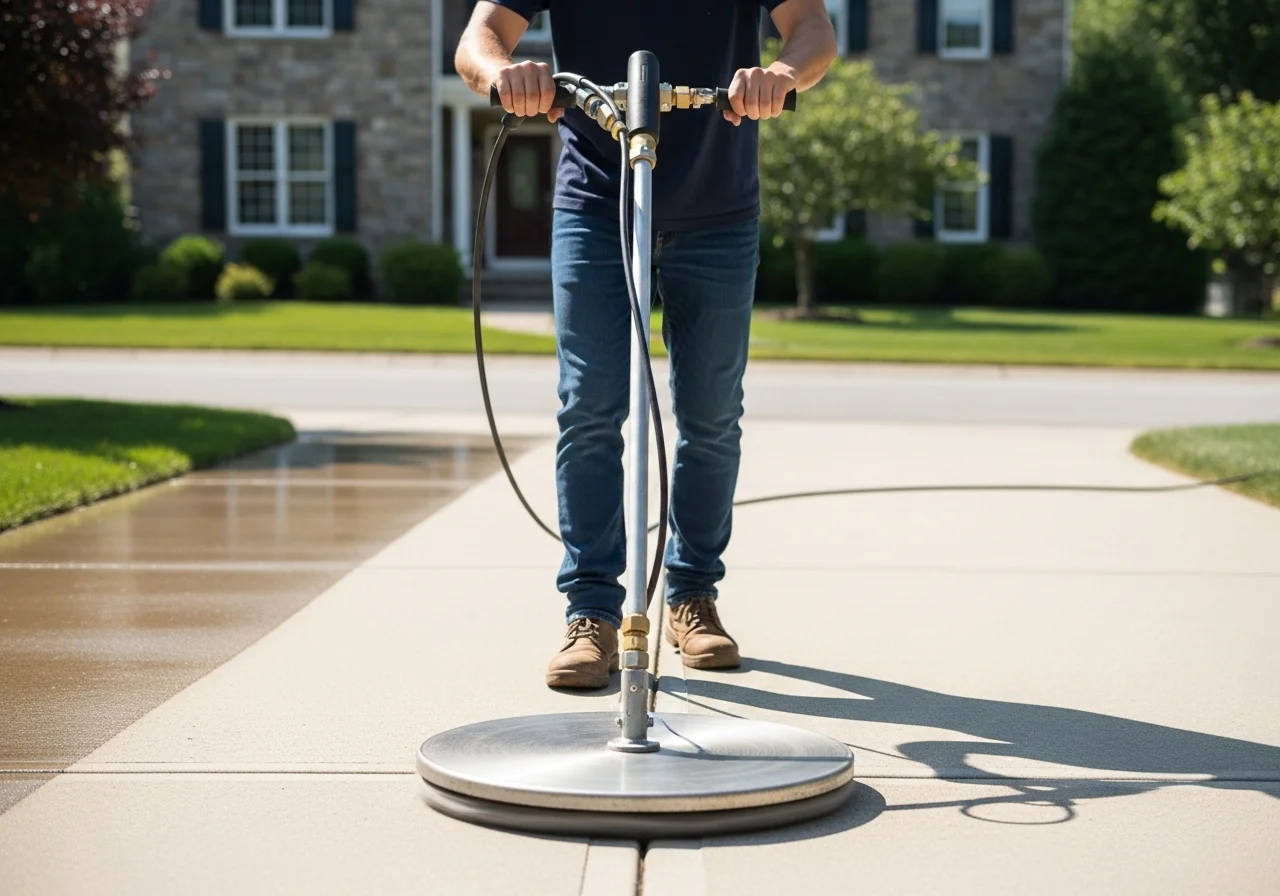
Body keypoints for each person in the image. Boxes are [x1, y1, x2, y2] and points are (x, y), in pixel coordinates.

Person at [456, 1, 837, 688]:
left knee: (711, 416)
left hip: (718, 212)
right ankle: (592, 613)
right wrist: (505, 74)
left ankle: (692, 595)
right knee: (590, 405)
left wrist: (780, 73)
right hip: (597, 206)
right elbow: (477, 40)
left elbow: (813, 31)